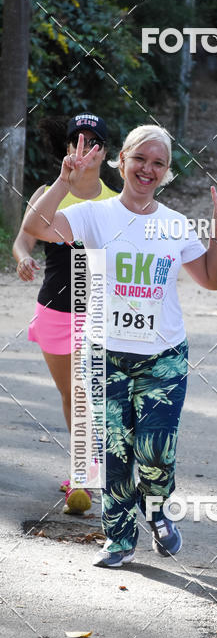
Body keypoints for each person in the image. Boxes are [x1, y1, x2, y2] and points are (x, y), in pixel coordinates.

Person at [24, 124, 217, 568]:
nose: (148, 169)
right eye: (141, 159)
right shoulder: (95, 214)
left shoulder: (175, 224)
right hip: (104, 354)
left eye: (158, 163)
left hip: (164, 357)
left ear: (166, 172)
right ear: (122, 160)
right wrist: (64, 179)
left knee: (155, 453)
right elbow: (37, 226)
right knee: (113, 453)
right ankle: (118, 539)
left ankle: (158, 512)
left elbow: (211, 280)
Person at [13, 113, 117, 514]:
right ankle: (88, 467)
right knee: (69, 394)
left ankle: (84, 474)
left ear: (104, 152)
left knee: (84, 393)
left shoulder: (115, 200)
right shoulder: (49, 191)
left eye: (92, 141)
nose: (83, 148)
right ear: (68, 148)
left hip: (96, 313)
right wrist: (23, 259)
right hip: (54, 309)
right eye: (77, 140)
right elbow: (25, 237)